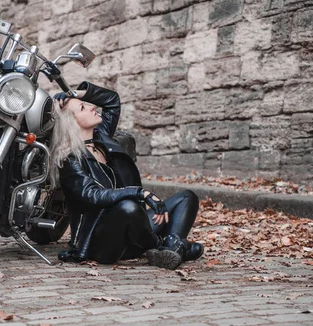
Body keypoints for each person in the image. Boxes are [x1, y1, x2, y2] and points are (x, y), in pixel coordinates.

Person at [50, 81, 203, 270]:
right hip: (101, 241)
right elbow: (93, 195)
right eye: (83, 108)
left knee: (187, 197)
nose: (91, 107)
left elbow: (112, 101)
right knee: (128, 206)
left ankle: (170, 248)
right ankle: (167, 245)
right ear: (72, 123)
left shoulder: (101, 137)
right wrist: (139, 193)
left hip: (134, 229)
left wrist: (77, 94)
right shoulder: (70, 159)